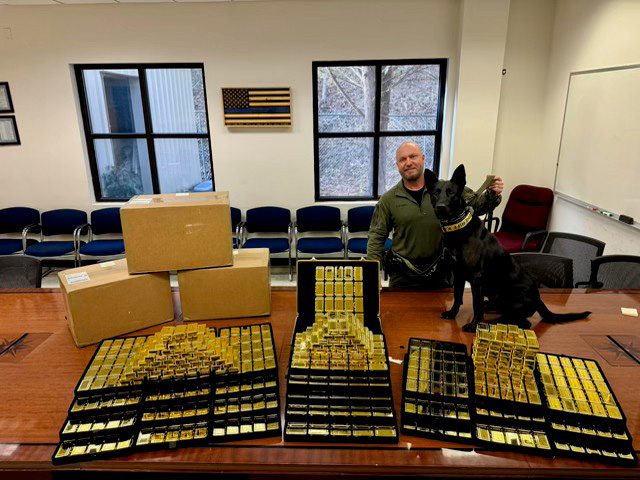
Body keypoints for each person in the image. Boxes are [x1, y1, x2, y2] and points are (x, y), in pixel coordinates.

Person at [367, 141, 504, 288]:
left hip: (441, 275)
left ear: (423, 159)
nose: (408, 162)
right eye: (402, 159)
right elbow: (376, 238)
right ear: (397, 165)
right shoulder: (388, 200)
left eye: (413, 156)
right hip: (403, 277)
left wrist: (491, 194)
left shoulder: (447, 189)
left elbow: (477, 206)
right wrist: (372, 275)